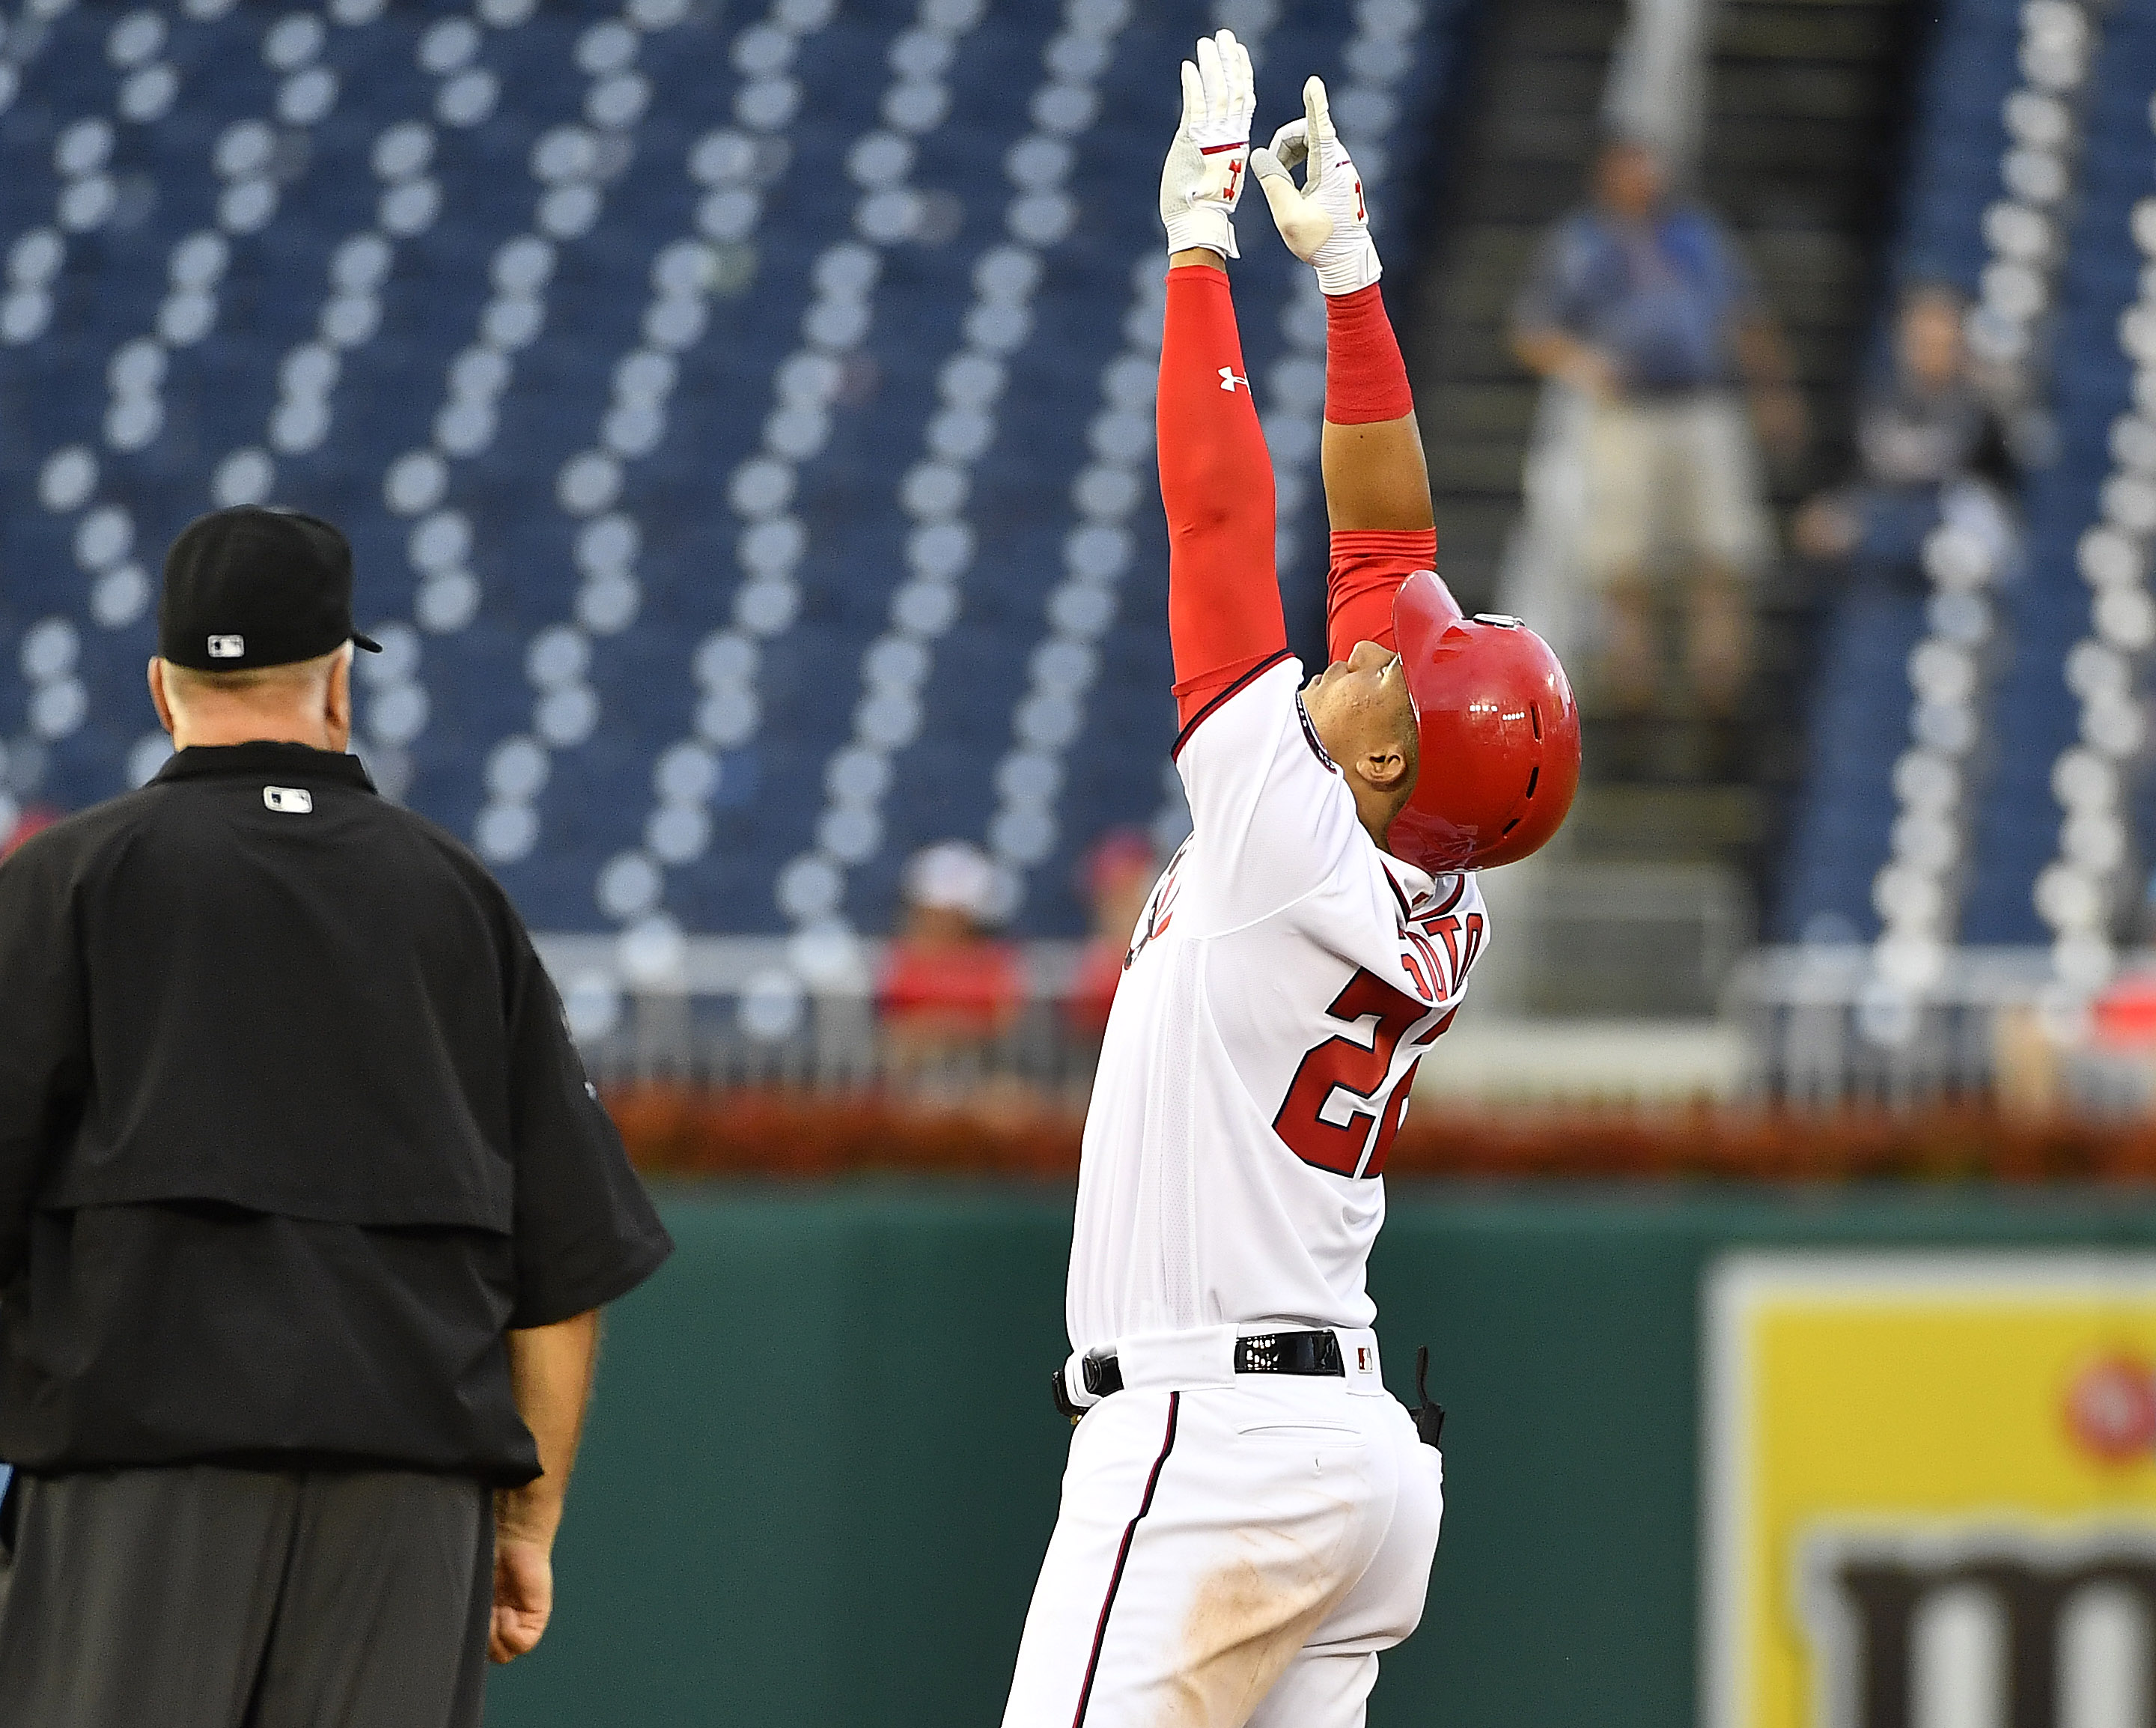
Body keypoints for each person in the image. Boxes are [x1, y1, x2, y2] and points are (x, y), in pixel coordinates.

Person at [999, 44, 1578, 1728]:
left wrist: (1198, 259)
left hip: (1210, 1448)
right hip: (1347, 1457)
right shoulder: (1424, 862)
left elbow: (1212, 518)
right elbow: (1389, 550)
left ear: (1393, 761)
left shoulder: (1286, 830)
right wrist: (1349, 280)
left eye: (1391, 675)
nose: (1368, 640)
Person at [0, 506, 672, 1727]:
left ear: (164, 687)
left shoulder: (62, 883)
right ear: (337, 688)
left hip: (137, 1492)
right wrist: (527, 1524)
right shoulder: (456, 898)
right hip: (408, 1506)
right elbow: (564, 1265)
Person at [1511, 136, 1805, 718]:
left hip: (1705, 407)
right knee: (1623, 563)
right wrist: (1587, 366)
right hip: (1627, 416)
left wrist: (1774, 395)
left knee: (1723, 553)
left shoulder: (1695, 236)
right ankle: (1632, 695)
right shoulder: (1582, 244)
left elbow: (1744, 317)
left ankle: (1720, 692)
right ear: (1607, 174)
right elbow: (1533, 331)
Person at [1793, 282, 2014, 578]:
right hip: (1876, 547)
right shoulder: (1867, 404)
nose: (1930, 351)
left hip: (1953, 547)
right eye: (1920, 339)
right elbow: (1836, 487)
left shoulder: (1986, 412)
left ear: (1960, 342)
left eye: (1941, 340)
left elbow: (1999, 497)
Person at [877, 839, 1025, 1066]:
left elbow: (1007, 1027)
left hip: (984, 1071)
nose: (936, 920)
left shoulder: (996, 960)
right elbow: (890, 1030)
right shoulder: (900, 957)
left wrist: (935, 1028)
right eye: (929, 910)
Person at [1063, 829, 1159, 1043]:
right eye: (1110, 893)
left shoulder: (1168, 952)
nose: (1117, 902)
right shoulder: (1089, 964)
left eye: (1128, 889)